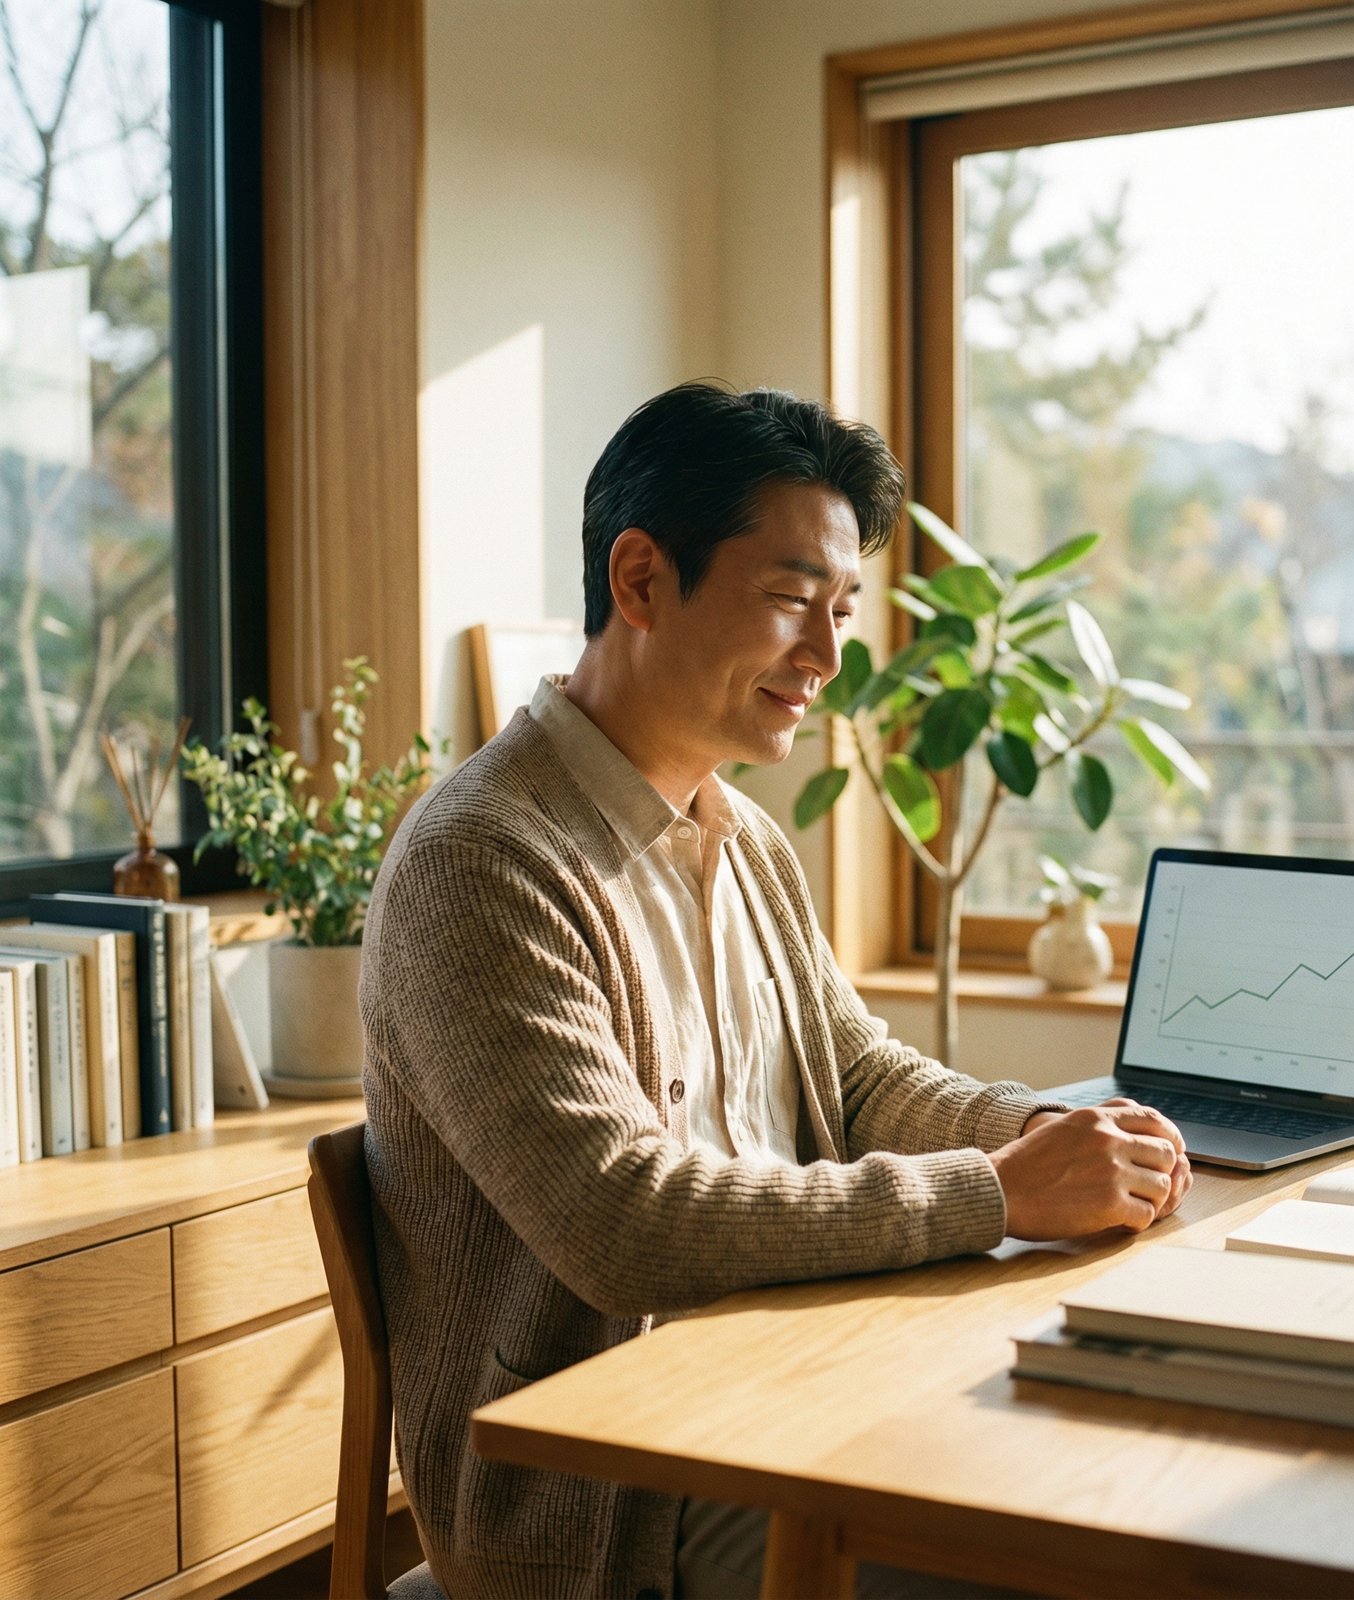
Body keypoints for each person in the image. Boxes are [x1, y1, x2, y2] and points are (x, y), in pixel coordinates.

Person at [361, 381, 1192, 1600]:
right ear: (639, 581)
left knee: (1122, 1466)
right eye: (794, 599)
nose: (830, 655)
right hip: (607, 1503)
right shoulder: (479, 860)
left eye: (843, 608)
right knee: (1053, 1554)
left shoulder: (739, 835)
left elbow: (853, 1078)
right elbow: (622, 1224)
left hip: (782, 1385)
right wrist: (996, 1190)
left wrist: (1035, 1132)